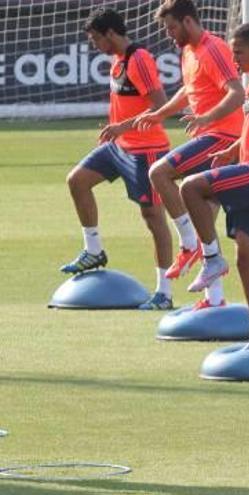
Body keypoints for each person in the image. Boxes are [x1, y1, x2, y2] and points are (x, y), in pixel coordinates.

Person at [178, 22, 249, 347]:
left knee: (191, 187)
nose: (234, 59)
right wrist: (232, 149)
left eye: (238, 52)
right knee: (247, 258)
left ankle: (212, 259)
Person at [135, 0, 244, 310]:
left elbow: (237, 92)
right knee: (204, 221)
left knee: (159, 172)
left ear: (187, 21)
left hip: (224, 138)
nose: (168, 34)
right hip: (210, 136)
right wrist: (161, 113)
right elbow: (189, 90)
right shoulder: (188, 52)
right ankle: (215, 299)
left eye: (171, 27)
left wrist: (207, 118)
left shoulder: (214, 48)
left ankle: (187, 243)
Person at [62, 7, 174, 310]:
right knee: (77, 181)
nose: (95, 44)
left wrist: (122, 126)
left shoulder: (139, 59)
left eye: (96, 38)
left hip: (146, 150)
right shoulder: (117, 61)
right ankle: (94, 250)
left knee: (153, 218)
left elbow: (160, 106)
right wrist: (118, 130)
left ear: (111, 34)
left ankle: (164, 292)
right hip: (120, 146)